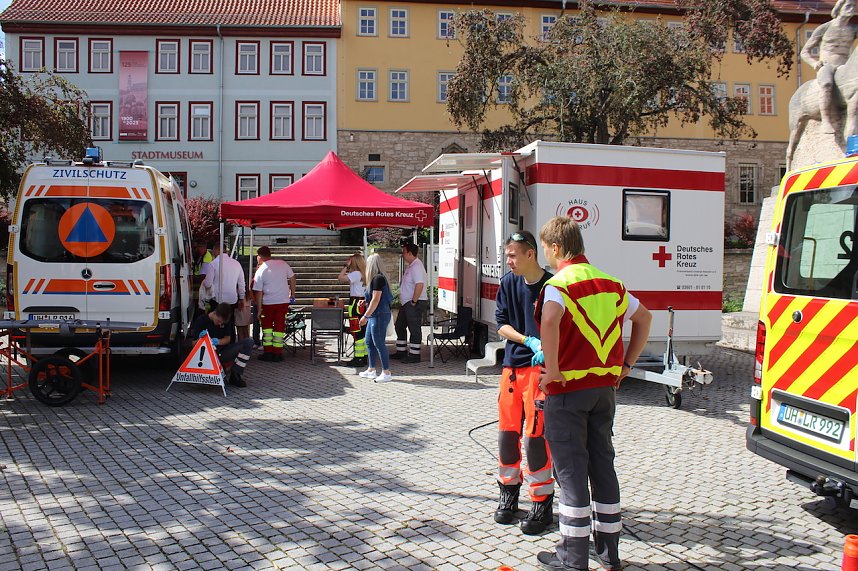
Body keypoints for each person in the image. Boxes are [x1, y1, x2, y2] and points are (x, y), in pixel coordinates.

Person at [534, 216, 651, 571]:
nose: (547, 257)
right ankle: (609, 553)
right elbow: (644, 318)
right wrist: (627, 366)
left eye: (546, 250)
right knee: (603, 467)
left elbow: (550, 320)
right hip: (604, 391)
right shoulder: (610, 283)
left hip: (568, 392)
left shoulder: (559, 284)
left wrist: (551, 370)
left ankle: (572, 558)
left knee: (570, 474)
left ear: (556, 248)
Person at [494, 230, 555, 535]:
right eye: (507, 255)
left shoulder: (552, 285)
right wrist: (527, 340)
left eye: (513, 255)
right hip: (512, 367)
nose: (509, 261)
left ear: (531, 254)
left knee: (535, 439)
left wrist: (546, 349)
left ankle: (542, 501)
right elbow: (501, 323)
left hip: (540, 371)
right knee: (507, 435)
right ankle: (508, 493)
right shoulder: (508, 283)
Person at [801, 0, 858, 134]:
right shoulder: (825, 28)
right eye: (849, 6)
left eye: (854, 6)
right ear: (839, 8)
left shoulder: (853, 29)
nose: (852, 9)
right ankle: (826, 121)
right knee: (826, 84)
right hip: (827, 65)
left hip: (844, 66)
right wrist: (815, 63)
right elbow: (804, 51)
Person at [189, 302, 254, 388]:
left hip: (222, 352)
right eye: (219, 321)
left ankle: (236, 373)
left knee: (248, 342)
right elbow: (193, 344)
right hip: (207, 356)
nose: (220, 324)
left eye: (222, 323)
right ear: (215, 313)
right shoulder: (201, 321)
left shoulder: (225, 321)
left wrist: (218, 341)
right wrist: (201, 340)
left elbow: (228, 339)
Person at [252, 246, 296, 362]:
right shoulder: (282, 264)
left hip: (268, 303)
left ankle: (268, 352)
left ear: (260, 257)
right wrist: (292, 294)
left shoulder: (260, 270)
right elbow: (292, 278)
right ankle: (277, 353)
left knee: (267, 329)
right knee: (279, 328)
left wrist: (259, 308)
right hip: (282, 301)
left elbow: (259, 292)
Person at [358, 253, 394, 383]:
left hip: (378, 315)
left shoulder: (377, 279)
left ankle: (386, 372)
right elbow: (373, 299)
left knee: (379, 343)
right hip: (376, 314)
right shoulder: (377, 278)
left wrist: (365, 316)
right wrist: (365, 303)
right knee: (369, 342)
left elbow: (376, 300)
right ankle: (371, 369)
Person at [392, 241, 428, 363]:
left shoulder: (417, 266)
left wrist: (414, 301)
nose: (402, 254)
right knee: (399, 326)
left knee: (414, 328)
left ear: (409, 253)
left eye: (404, 252)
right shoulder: (412, 266)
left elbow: (419, 284)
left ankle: (414, 355)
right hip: (406, 303)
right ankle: (401, 351)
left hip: (413, 302)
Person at [339, 253, 368, 367]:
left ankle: (358, 357)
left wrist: (346, 266)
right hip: (362, 303)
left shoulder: (356, 274)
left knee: (356, 331)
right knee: (362, 331)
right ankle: (364, 356)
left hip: (355, 304)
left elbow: (340, 277)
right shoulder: (365, 273)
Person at [202, 243, 247, 318]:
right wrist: (242, 298)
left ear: (217, 250)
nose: (212, 253)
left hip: (217, 299)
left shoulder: (213, 264)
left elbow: (208, 284)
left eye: (213, 250)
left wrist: (203, 282)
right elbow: (241, 283)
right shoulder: (236, 264)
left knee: (216, 323)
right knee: (230, 323)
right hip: (232, 299)